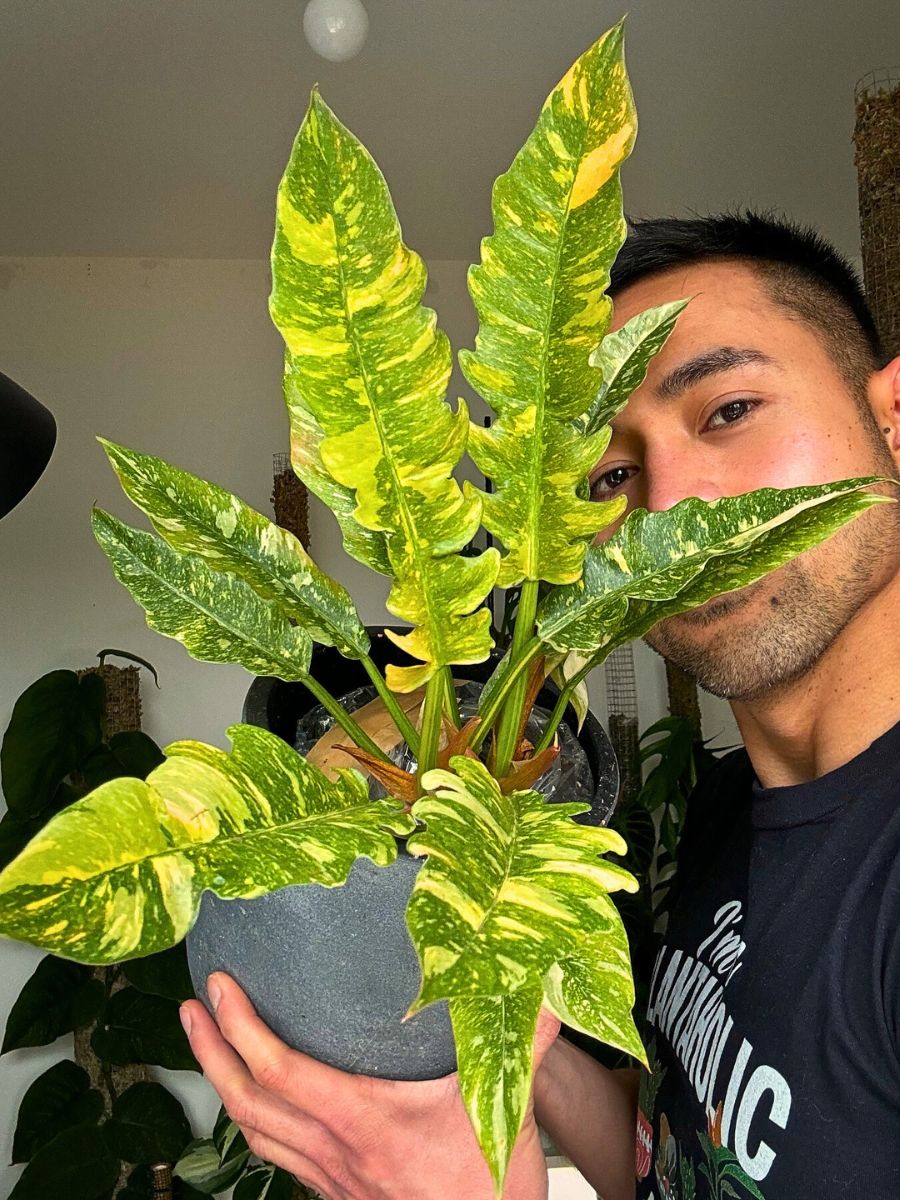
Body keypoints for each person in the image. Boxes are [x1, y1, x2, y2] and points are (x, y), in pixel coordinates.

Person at [178, 211, 900, 1200]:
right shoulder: (735, 812)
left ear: (893, 417)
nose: (669, 504)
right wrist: (507, 1044)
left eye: (728, 409)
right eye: (610, 474)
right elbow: (671, 1157)